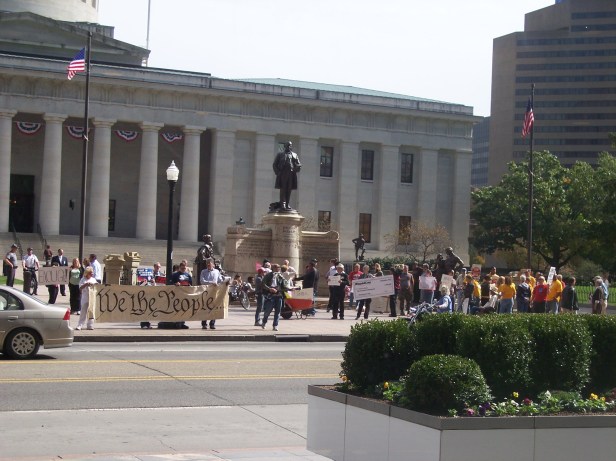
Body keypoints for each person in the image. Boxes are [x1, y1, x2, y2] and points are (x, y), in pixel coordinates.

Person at [272, 141, 301, 211]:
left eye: (290, 145)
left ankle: (287, 203)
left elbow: (298, 164)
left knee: (289, 189)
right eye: (288, 145)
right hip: (283, 174)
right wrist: (278, 173)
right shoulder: (280, 154)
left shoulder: (294, 155)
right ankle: (283, 204)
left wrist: (297, 167)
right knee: (283, 189)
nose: (289, 147)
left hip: (291, 174)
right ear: (285, 146)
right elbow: (274, 164)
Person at [261, 263, 288, 331]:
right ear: (273, 268)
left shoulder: (280, 276)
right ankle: (264, 321)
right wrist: (269, 289)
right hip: (270, 296)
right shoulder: (268, 275)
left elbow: (284, 286)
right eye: (276, 267)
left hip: (279, 295)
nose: (278, 269)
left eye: (279, 267)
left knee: (278, 311)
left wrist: (289, 288)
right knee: (267, 311)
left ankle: (275, 325)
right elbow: (263, 284)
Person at [199, 259, 225, 330]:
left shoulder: (217, 271)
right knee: (205, 307)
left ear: (213, 264)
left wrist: (225, 282)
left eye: (209, 264)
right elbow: (202, 281)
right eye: (207, 264)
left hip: (214, 292)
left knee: (214, 307)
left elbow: (220, 280)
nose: (208, 265)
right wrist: (211, 283)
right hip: (206, 292)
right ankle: (204, 324)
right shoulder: (203, 272)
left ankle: (212, 323)